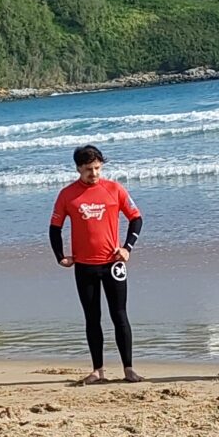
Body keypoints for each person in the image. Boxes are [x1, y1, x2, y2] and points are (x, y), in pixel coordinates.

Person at [50, 145, 144, 383]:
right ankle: (98, 370)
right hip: (84, 266)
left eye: (97, 168)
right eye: (89, 169)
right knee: (92, 317)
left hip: (113, 264)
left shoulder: (114, 189)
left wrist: (127, 248)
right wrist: (60, 255)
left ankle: (128, 369)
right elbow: (55, 228)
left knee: (120, 315)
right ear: (78, 168)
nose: (94, 174)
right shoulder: (67, 194)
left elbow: (136, 218)